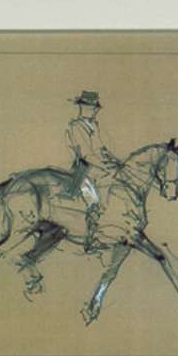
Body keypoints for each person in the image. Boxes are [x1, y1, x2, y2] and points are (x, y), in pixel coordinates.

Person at [66, 90, 120, 251]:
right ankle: (90, 240)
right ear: (81, 107)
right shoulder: (76, 126)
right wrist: (105, 166)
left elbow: (103, 148)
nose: (93, 110)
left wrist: (114, 161)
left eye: (94, 108)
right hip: (83, 168)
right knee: (94, 202)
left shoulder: (95, 126)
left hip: (98, 166)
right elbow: (86, 154)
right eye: (89, 107)